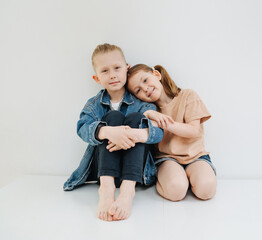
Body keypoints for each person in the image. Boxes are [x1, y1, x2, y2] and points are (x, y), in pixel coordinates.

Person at [63, 44, 163, 221]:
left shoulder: (141, 101)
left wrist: (130, 134)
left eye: (117, 68)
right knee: (113, 117)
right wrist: (107, 131)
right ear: (96, 78)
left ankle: (127, 192)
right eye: (105, 71)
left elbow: (158, 132)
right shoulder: (94, 104)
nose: (112, 75)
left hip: (134, 173)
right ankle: (107, 190)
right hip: (105, 170)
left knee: (135, 117)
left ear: (126, 69)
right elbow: (82, 128)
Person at [126, 64, 217, 201]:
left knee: (206, 190)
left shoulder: (187, 95)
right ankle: (172, 179)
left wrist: (165, 123)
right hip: (167, 158)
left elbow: (193, 131)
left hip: (196, 156)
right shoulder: (149, 111)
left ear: (156, 75)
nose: (145, 89)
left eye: (145, 80)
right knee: (176, 191)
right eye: (138, 90)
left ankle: (189, 176)